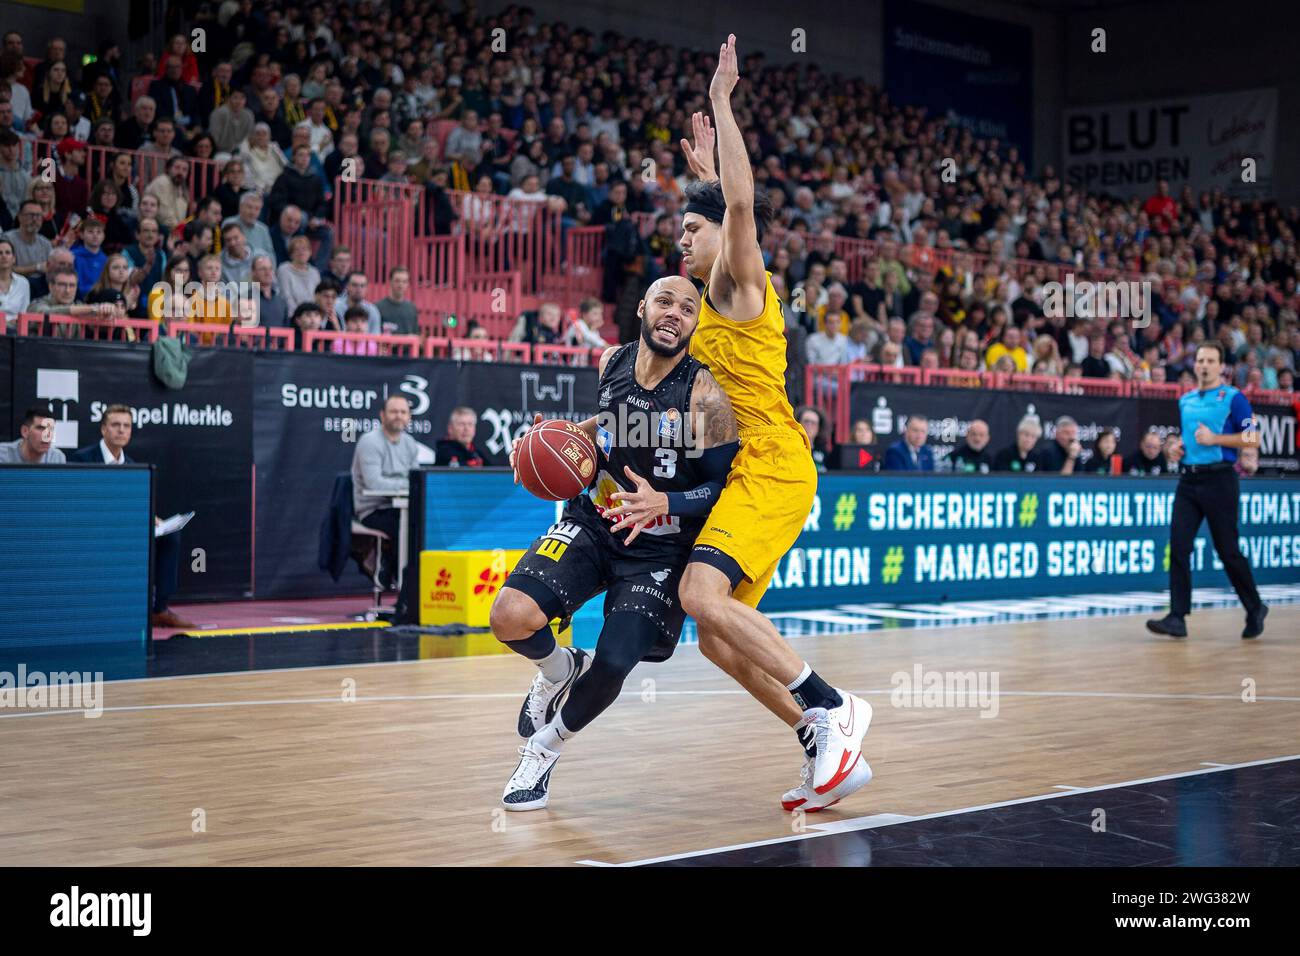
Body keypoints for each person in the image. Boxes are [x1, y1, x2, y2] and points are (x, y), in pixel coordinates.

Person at [674, 37, 872, 814]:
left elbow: (744, 208)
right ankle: (827, 751)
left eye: (693, 229)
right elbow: (730, 206)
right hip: (743, 470)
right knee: (719, 635)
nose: (681, 239)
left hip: (774, 463)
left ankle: (830, 703)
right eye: (681, 233)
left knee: (698, 592)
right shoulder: (705, 304)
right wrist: (712, 186)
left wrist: (723, 105)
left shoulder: (739, 283)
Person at [494, 276, 740, 810]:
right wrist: (545, 442)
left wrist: (667, 503)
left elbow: (723, 485)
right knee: (509, 615)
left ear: (696, 324)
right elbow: (607, 424)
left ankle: (542, 751)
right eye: (665, 301)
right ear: (643, 310)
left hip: (661, 548)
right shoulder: (611, 362)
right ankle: (560, 669)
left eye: (688, 307)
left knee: (612, 661)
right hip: (596, 522)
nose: (675, 313)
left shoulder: (706, 394)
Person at [1147, 343, 1267, 640]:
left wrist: (1216, 438)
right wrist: (1173, 447)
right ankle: (1177, 617)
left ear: (1220, 366)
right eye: (1200, 360)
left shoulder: (1234, 398)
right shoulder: (1186, 400)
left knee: (1228, 551)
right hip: (1188, 481)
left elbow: (1253, 436)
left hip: (1220, 481)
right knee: (1178, 546)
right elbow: (1184, 440)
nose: (1203, 366)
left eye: (1210, 361)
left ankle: (1255, 607)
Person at [68, 404, 194, 629]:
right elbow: (78, 503)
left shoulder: (132, 465)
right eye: (115, 425)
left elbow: (134, 501)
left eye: (126, 426)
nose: (121, 430)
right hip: (93, 531)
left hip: (126, 528)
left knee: (170, 536)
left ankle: (160, 609)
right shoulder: (83, 458)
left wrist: (152, 517)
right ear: (103, 429)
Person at [351, 394, 428, 588]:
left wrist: (405, 484)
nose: (399, 416)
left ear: (409, 417)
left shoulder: (409, 443)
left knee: (422, 525)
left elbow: (415, 477)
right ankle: (398, 579)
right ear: (382, 415)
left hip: (401, 507)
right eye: (394, 411)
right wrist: (405, 485)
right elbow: (374, 483)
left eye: (403, 412)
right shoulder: (369, 441)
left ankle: (411, 584)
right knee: (408, 528)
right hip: (372, 510)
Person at [0, 407, 66, 462]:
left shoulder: (57, 457)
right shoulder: (2, 454)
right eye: (40, 428)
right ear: (25, 431)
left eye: (50, 429)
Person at [0, 235, 29, 327]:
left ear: (13, 259)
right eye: (0, 253)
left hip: (15, 331)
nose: (4, 256)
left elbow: (24, 313)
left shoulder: (23, 283)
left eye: (7, 253)